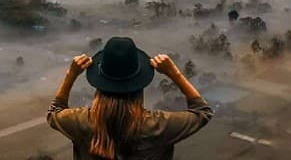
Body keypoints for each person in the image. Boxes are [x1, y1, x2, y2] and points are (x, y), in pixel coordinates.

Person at [47, 37, 213, 159]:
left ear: (99, 84)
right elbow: (202, 112)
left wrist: (71, 75)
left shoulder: (82, 122)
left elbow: (55, 111)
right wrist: (174, 73)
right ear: (140, 84)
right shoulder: (158, 126)